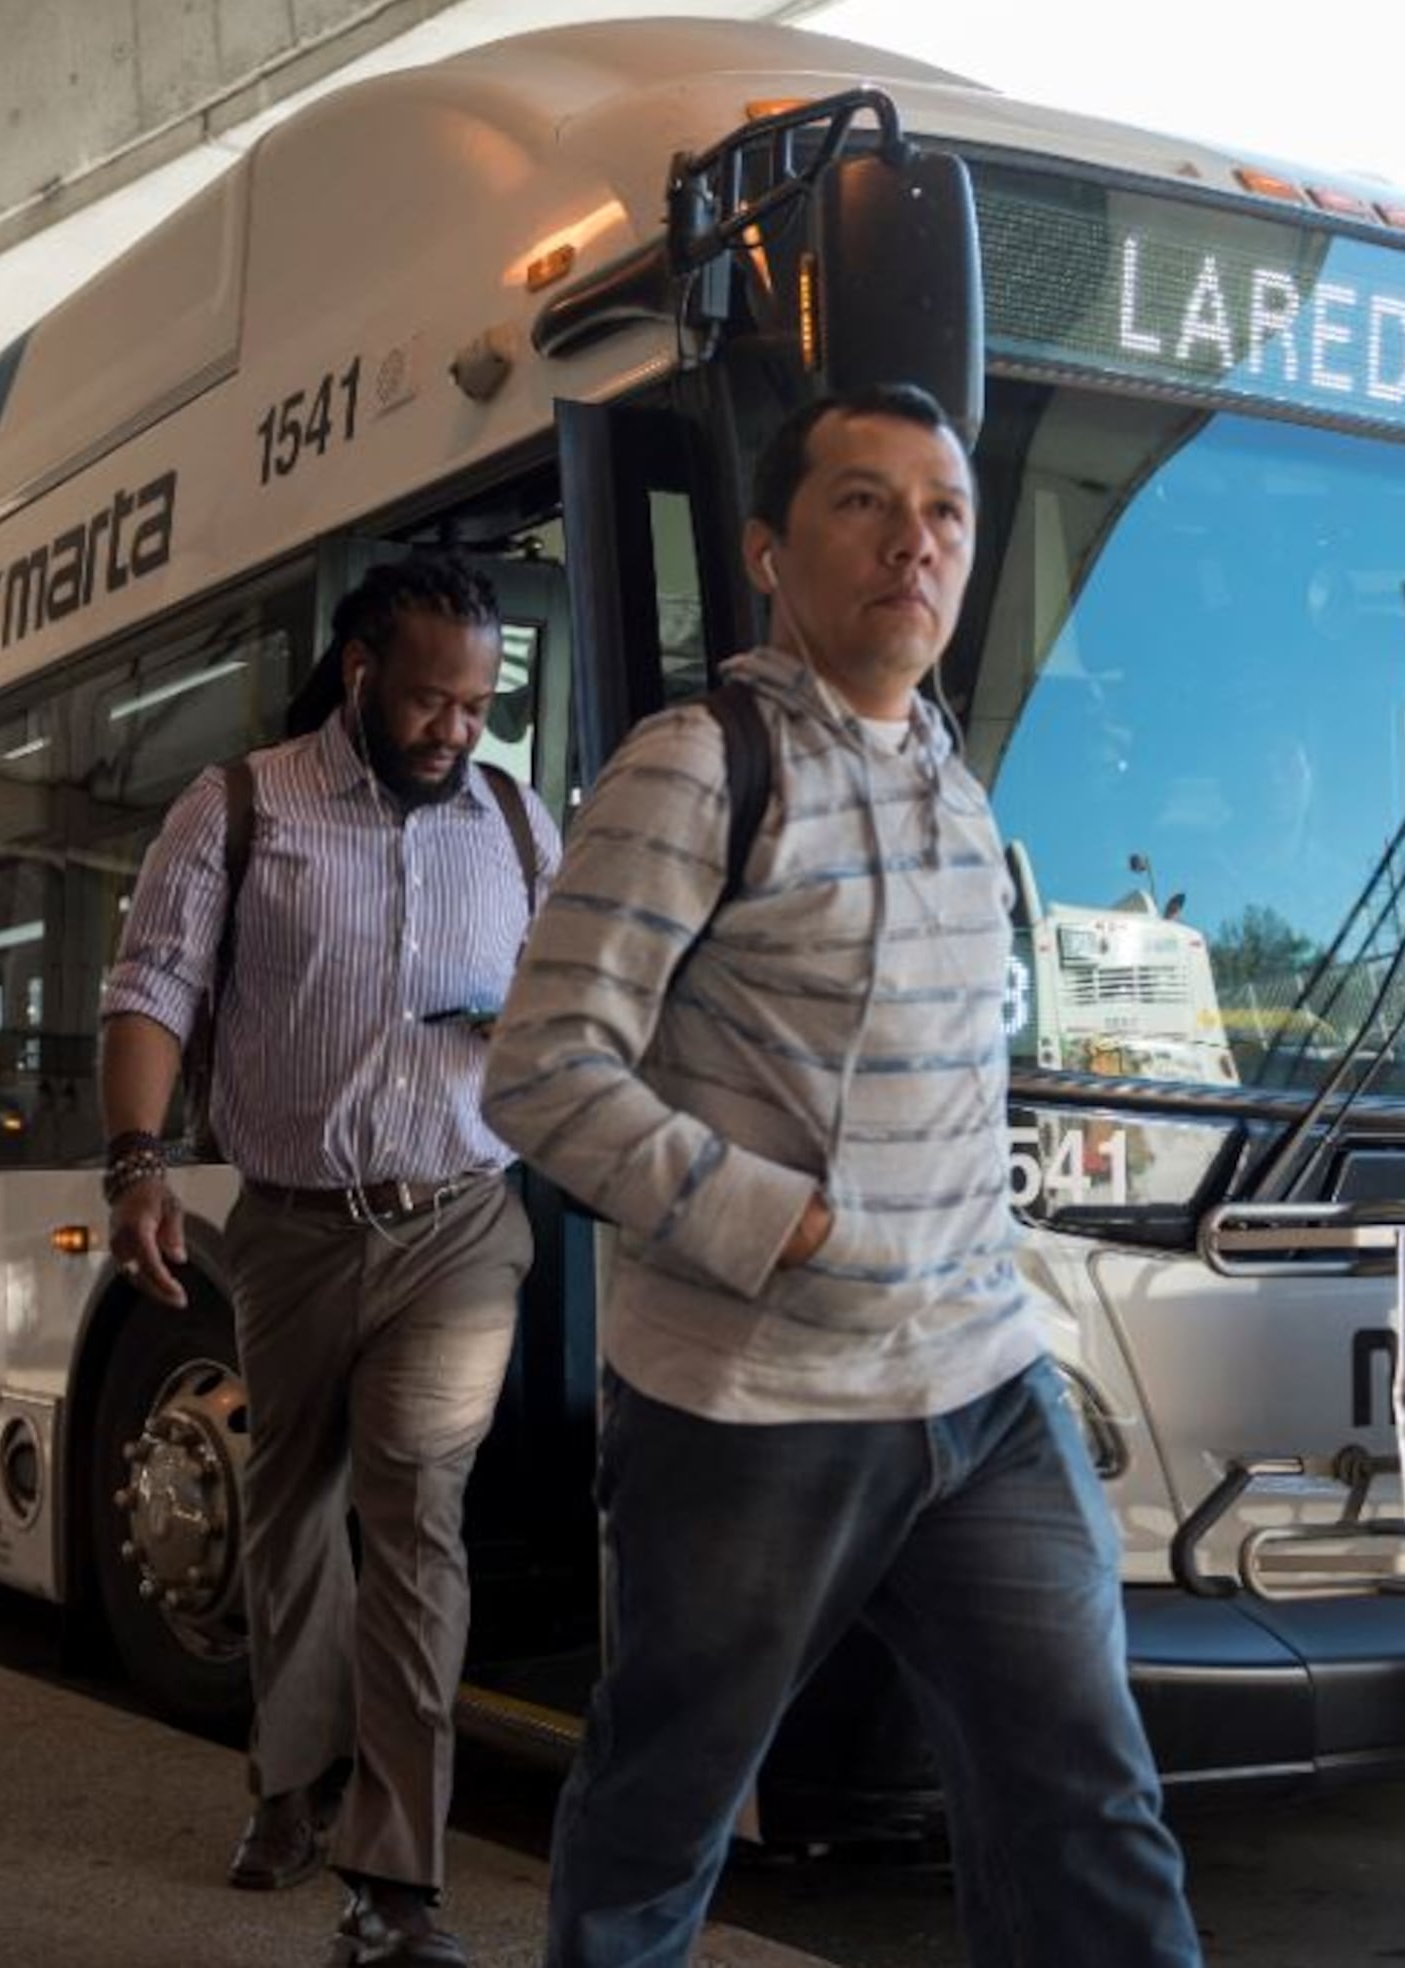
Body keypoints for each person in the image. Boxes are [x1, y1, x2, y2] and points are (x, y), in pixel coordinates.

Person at [485, 386, 1201, 1967]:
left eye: (944, 511)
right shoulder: (698, 763)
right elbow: (539, 1069)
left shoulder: (949, 771)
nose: (916, 543)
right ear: (767, 550)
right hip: (753, 1406)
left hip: (980, 1383)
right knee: (665, 1810)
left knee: (1085, 1806)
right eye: (864, 505)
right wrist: (771, 1219)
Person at [98, 557, 558, 1968]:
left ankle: (396, 1879)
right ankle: (292, 1788)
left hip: (462, 1219)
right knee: (292, 1514)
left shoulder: (523, 824)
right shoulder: (239, 808)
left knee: (416, 1517)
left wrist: (533, 1034)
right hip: (294, 1224)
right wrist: (137, 1162)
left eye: (478, 703)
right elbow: (150, 989)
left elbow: (585, 998)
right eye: (429, 698)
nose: (453, 728)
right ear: (361, 671)